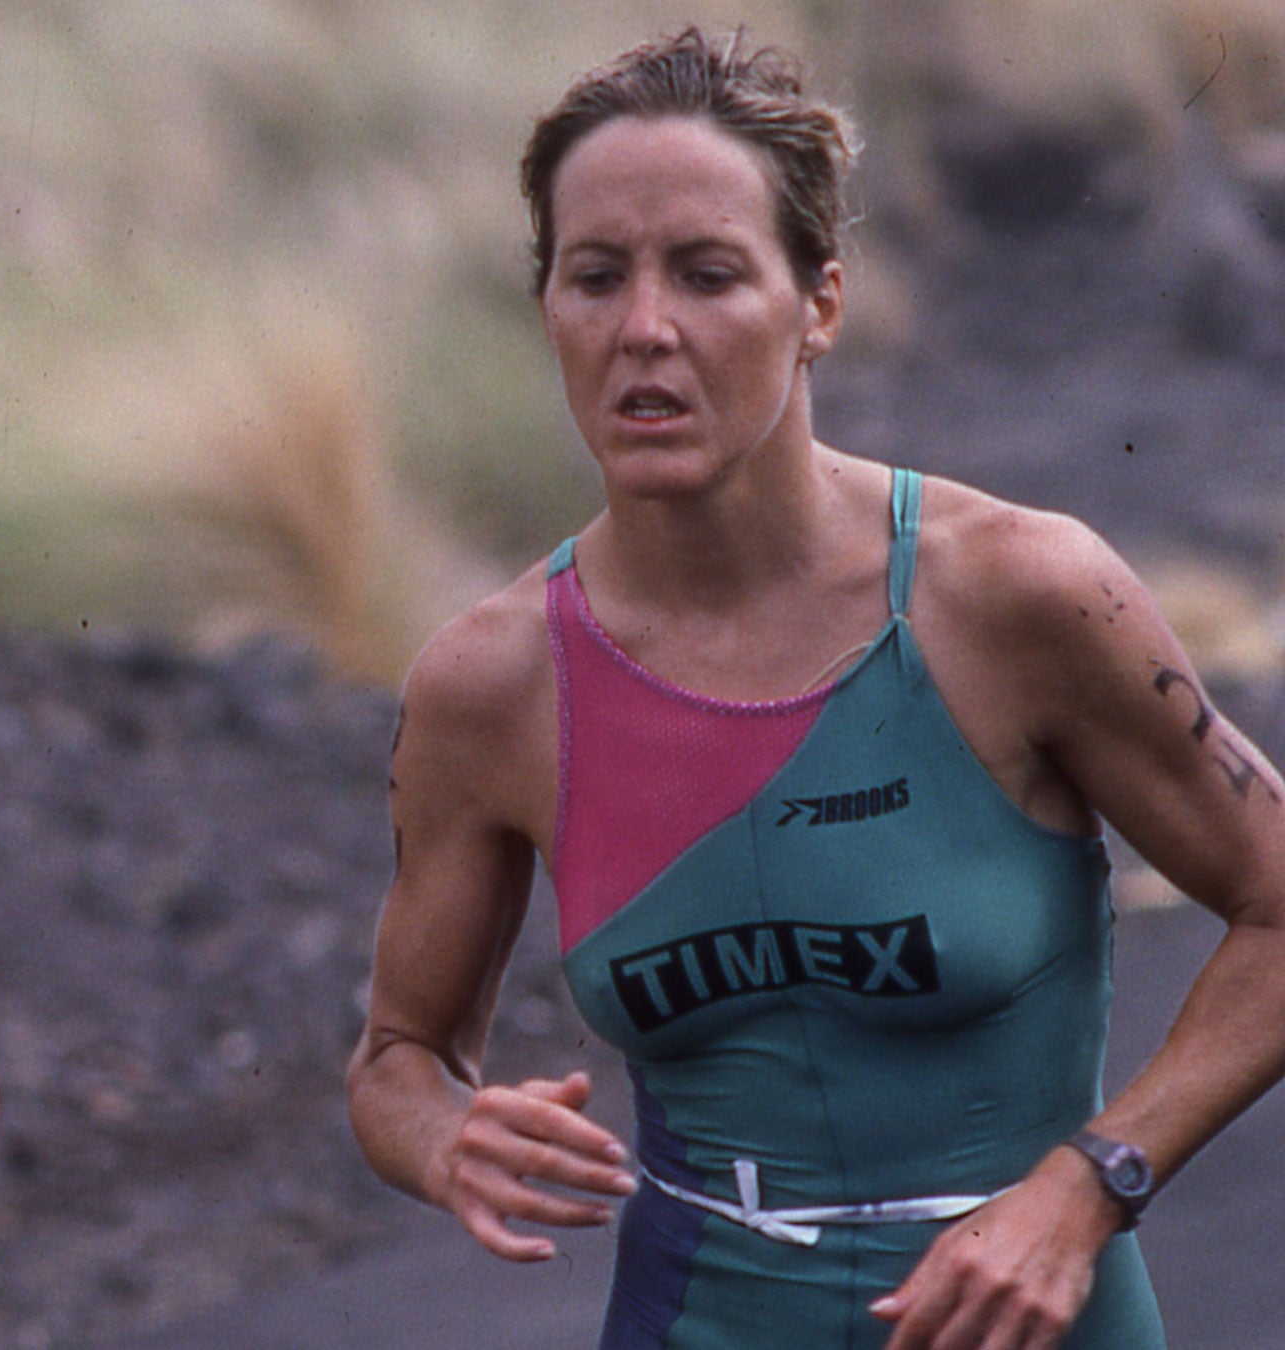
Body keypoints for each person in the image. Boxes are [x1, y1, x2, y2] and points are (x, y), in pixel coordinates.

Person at [346, 28, 1285, 1350]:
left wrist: (1089, 1185)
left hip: (1026, 1320)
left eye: (711, 274)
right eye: (595, 276)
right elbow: (398, 1056)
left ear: (821, 304)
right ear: (548, 306)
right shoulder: (492, 683)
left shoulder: (1014, 595)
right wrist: (444, 1131)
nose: (646, 329)